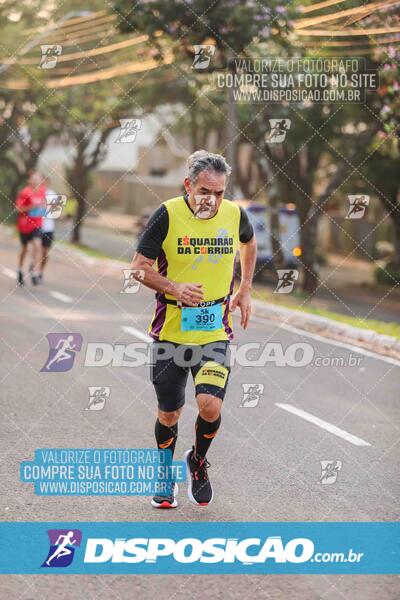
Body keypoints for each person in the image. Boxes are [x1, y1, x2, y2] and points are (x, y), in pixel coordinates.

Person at [130, 150, 257, 508]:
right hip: (170, 332)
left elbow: (249, 242)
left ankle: (198, 462)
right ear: (189, 185)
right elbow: (139, 267)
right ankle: (164, 474)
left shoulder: (234, 214)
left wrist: (245, 288)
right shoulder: (167, 215)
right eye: (205, 191)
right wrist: (173, 287)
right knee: (169, 412)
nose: (212, 200)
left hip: (215, 331)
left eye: (219, 193)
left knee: (210, 404)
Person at [15, 171, 46, 285]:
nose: (37, 180)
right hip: (24, 225)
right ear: (30, 180)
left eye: (39, 178)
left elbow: (43, 205)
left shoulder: (42, 191)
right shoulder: (25, 192)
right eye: (35, 178)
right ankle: (20, 269)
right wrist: (30, 207)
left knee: (38, 245)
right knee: (24, 249)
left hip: (37, 224)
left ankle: (33, 270)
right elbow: (18, 209)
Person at [39, 177, 57, 281]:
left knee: (45, 252)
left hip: (49, 228)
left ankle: (40, 272)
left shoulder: (52, 194)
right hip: (37, 227)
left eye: (45, 183)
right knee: (37, 249)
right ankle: (34, 268)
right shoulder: (35, 193)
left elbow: (55, 212)